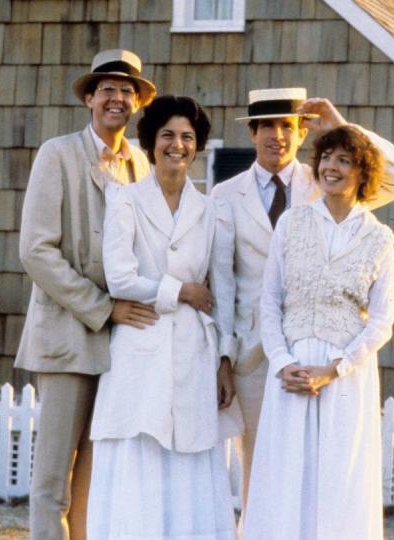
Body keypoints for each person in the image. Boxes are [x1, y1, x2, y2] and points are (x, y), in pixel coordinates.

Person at [209, 87, 394, 509]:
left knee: (322, 471)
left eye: (286, 126)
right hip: (254, 355)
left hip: (322, 353)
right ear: (252, 133)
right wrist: (224, 359)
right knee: (261, 471)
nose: (277, 136)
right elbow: (222, 283)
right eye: (265, 126)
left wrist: (339, 125)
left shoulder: (326, 178)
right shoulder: (225, 195)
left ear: (303, 132)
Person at [15, 49, 160, 540]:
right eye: (108, 89)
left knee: (96, 477)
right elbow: (36, 251)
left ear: (137, 103)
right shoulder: (57, 154)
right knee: (52, 479)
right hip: (66, 337)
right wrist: (103, 307)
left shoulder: (142, 163)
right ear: (90, 98)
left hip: (121, 345)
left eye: (127, 91)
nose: (117, 98)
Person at [87, 95, 242, 540]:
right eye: (168, 135)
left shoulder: (213, 210)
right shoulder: (126, 199)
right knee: (141, 453)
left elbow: (225, 292)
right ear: (151, 142)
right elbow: (119, 277)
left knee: (189, 457)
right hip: (141, 344)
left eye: (188, 138)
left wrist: (225, 360)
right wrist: (181, 291)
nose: (178, 145)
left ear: (198, 147)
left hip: (196, 352)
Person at [242, 125, 394, 539]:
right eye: (327, 158)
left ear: (362, 173)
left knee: (339, 481)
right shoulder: (292, 223)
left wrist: (336, 369)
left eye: (344, 160)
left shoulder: (379, 238)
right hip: (292, 371)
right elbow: (270, 300)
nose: (331, 167)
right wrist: (282, 363)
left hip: (344, 375)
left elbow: (383, 320)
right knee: (285, 480)